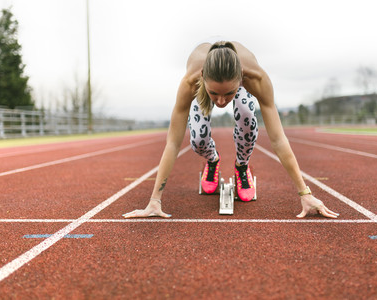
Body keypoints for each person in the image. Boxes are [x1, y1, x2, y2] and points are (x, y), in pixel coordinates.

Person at [123, 40, 339, 219]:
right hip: (208, 85)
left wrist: (305, 193)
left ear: (241, 78)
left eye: (228, 93)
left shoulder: (257, 79)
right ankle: (212, 160)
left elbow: (278, 140)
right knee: (197, 138)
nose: (221, 101)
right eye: (214, 93)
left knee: (246, 113)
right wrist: (154, 201)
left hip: (235, 84)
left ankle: (242, 166)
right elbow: (172, 142)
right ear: (202, 78)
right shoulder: (191, 82)